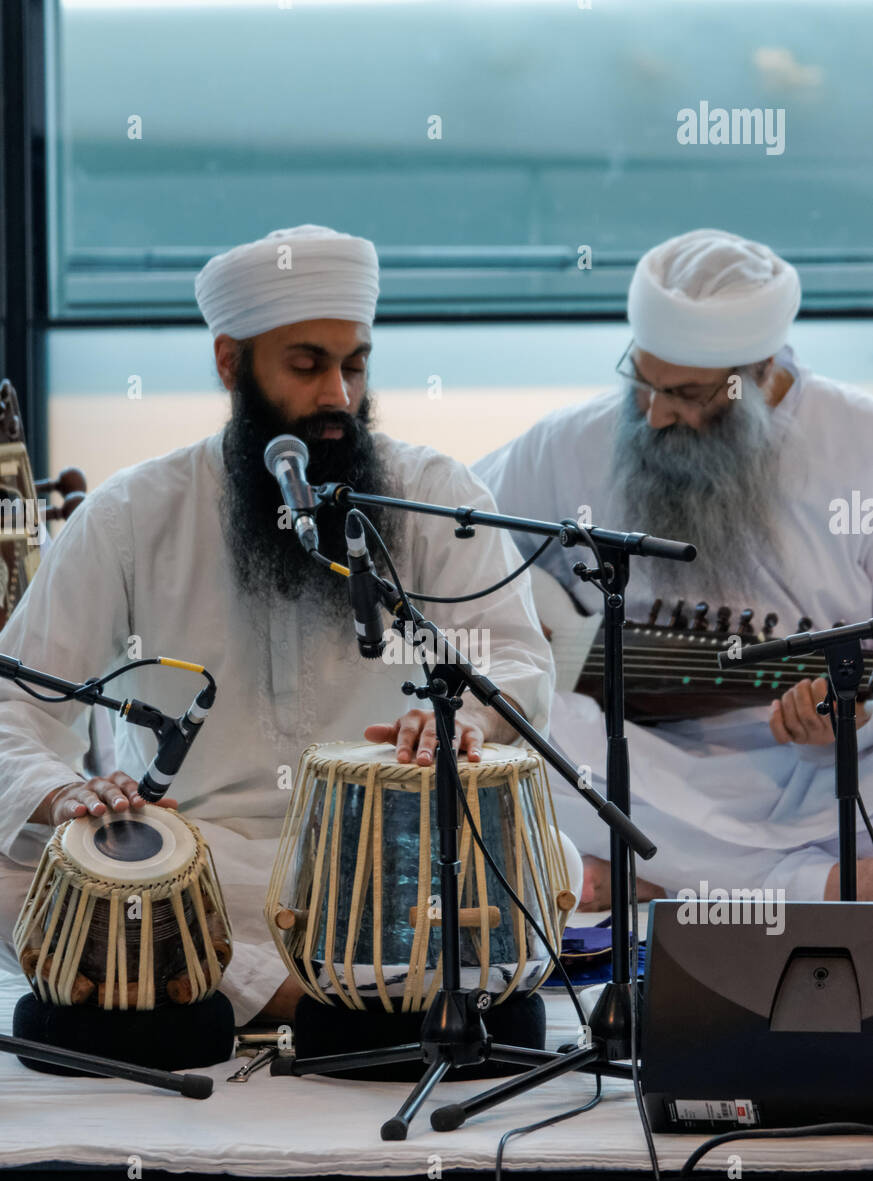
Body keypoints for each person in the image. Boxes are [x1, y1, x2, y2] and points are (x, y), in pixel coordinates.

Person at [0, 224, 553, 1023]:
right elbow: (17, 699)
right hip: (199, 862)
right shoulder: (134, 513)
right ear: (231, 362)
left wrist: (454, 719)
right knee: (16, 872)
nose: (337, 395)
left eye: (352, 365)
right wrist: (60, 795)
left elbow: (511, 657)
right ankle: (337, 1003)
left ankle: (226, 994)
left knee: (540, 862)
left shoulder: (430, 493)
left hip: (387, 861)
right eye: (306, 365)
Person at [475, 228, 873, 907]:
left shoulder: (856, 443)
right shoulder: (567, 444)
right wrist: (505, 638)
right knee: (508, 730)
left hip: (817, 773)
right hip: (632, 763)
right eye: (641, 380)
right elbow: (443, 547)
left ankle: (642, 877)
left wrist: (852, 710)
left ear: (758, 374)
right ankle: (810, 888)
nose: (655, 414)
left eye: (687, 394)